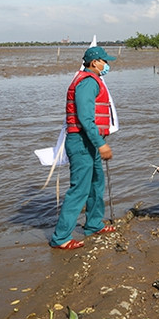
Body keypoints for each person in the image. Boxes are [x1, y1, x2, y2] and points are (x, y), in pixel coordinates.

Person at [50, 46, 118, 250]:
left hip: (89, 140)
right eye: (104, 61)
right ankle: (60, 237)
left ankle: (93, 224)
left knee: (97, 182)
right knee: (79, 189)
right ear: (95, 62)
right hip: (81, 141)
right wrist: (101, 144)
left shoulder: (93, 80)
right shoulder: (88, 83)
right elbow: (85, 118)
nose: (107, 65)